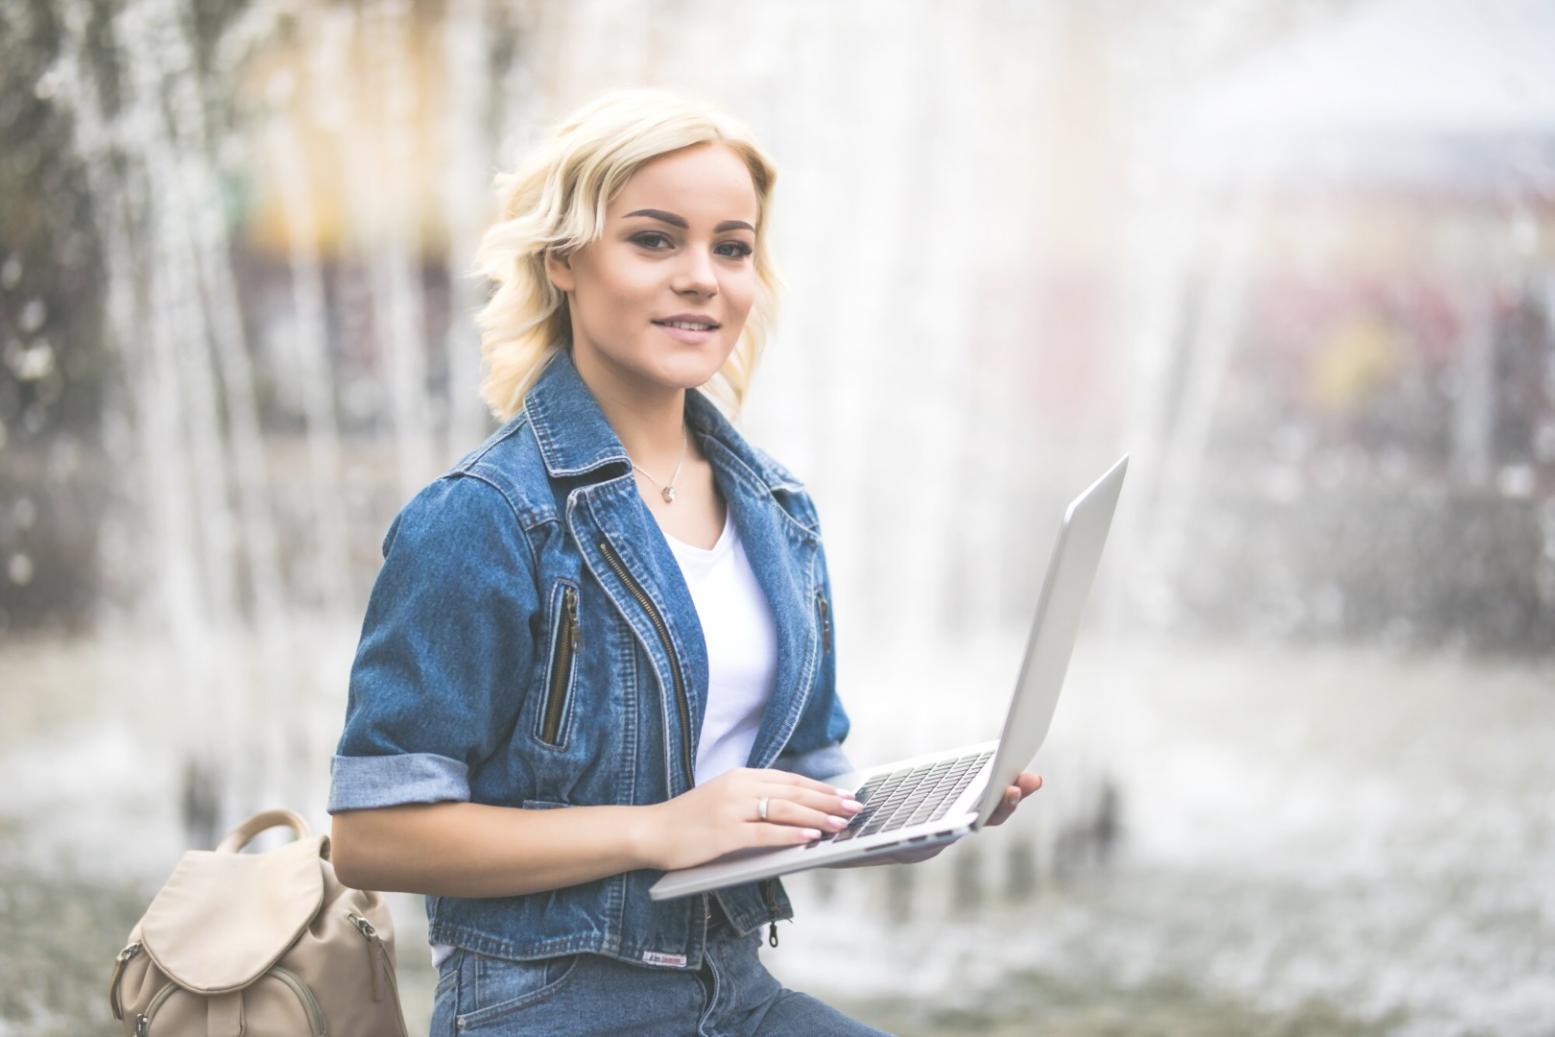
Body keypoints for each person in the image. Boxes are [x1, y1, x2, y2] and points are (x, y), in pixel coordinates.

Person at [325, 86, 1044, 1036]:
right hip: (546, 1004)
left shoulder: (778, 512)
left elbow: (797, 781)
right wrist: (657, 829)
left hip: (734, 991)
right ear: (564, 262)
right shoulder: (483, 517)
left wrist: (919, 819)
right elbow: (372, 836)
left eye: (731, 247)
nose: (702, 277)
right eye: (655, 240)